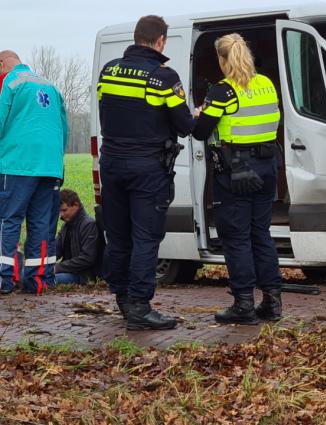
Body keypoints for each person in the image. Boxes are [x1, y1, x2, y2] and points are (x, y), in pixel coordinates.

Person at [97, 15, 194, 330]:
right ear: (161, 41)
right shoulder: (163, 77)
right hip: (147, 168)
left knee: (119, 236)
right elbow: (184, 125)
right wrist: (197, 114)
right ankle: (140, 307)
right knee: (146, 237)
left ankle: (124, 300)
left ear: (136, 37)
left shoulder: (109, 70)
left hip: (111, 164)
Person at [192, 33, 283, 325]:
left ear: (222, 59)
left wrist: (200, 114)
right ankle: (272, 302)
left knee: (236, 238)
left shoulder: (222, 91)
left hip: (236, 172)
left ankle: (244, 304)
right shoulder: (266, 84)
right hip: (267, 168)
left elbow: (201, 132)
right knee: (261, 234)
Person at [0, 50, 68, 295]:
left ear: (2, 63)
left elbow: (0, 119)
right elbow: (64, 126)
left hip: (18, 163)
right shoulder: (50, 85)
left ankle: (4, 279)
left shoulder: (11, 82)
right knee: (41, 224)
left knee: (9, 220)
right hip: (50, 165)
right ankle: (38, 281)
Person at [55, 190, 101, 284]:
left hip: (83, 275)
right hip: (68, 271)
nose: (61, 215)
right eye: (59, 211)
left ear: (76, 205)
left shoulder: (89, 225)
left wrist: (57, 267)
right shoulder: (66, 226)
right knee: (29, 275)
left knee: (49, 280)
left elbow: (87, 258)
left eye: (64, 210)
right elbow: (56, 250)